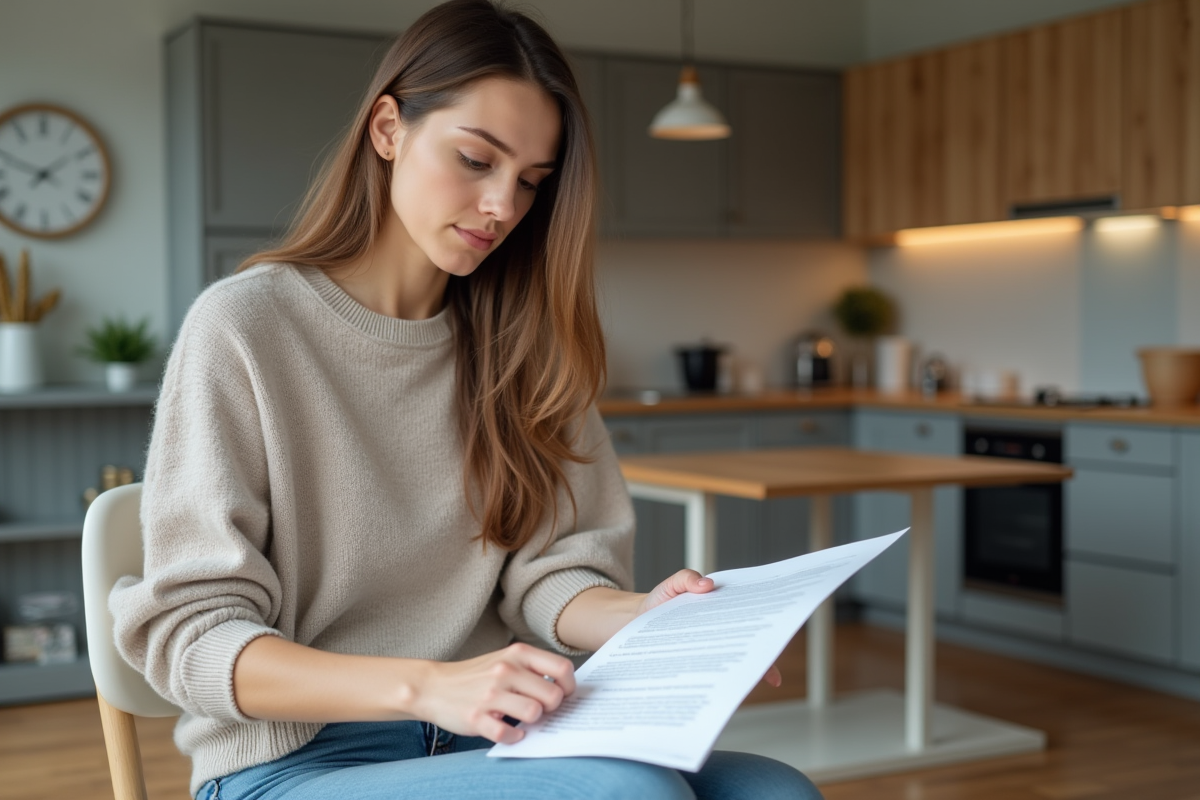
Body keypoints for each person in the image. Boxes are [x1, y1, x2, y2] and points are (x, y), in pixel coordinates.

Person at [111, 1, 824, 798]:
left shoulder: (525, 344)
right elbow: (190, 637)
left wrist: (641, 616)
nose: (504, 207)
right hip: (294, 762)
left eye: (530, 182)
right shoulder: (246, 326)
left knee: (777, 792)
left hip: (494, 735)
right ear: (388, 129)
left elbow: (548, 576)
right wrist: (427, 686)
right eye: (477, 160)